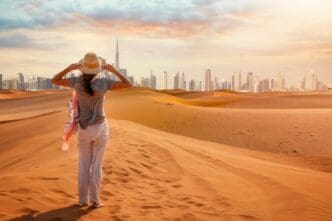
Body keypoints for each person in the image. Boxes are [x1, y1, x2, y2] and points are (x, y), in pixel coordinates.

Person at [52, 52, 132, 208]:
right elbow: (128, 84)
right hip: (101, 127)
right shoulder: (103, 83)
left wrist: (70, 67)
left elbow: (55, 80)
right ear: (99, 68)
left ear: (82, 68)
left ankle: (82, 200)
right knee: (97, 165)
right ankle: (95, 200)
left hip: (84, 128)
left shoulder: (76, 81)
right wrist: (113, 70)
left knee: (83, 165)